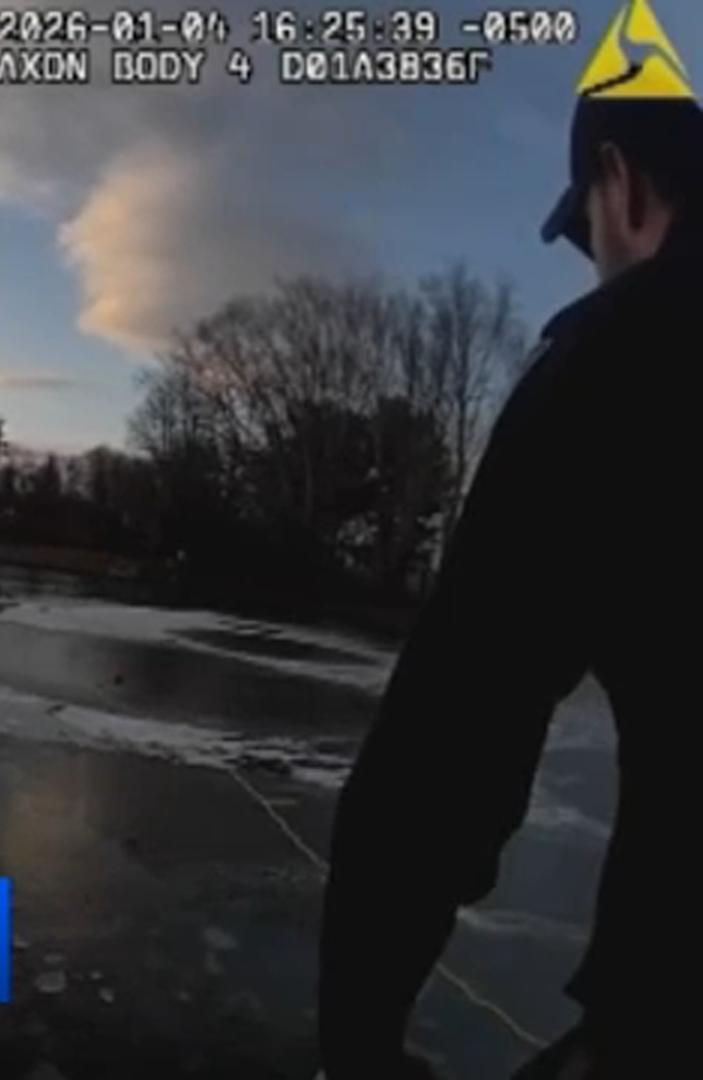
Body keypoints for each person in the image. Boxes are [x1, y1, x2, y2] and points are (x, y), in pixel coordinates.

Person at [316, 90, 702, 1079]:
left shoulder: (626, 360)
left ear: (616, 181)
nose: (597, 260)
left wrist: (356, 1045)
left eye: (585, 232)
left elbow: (447, 745)